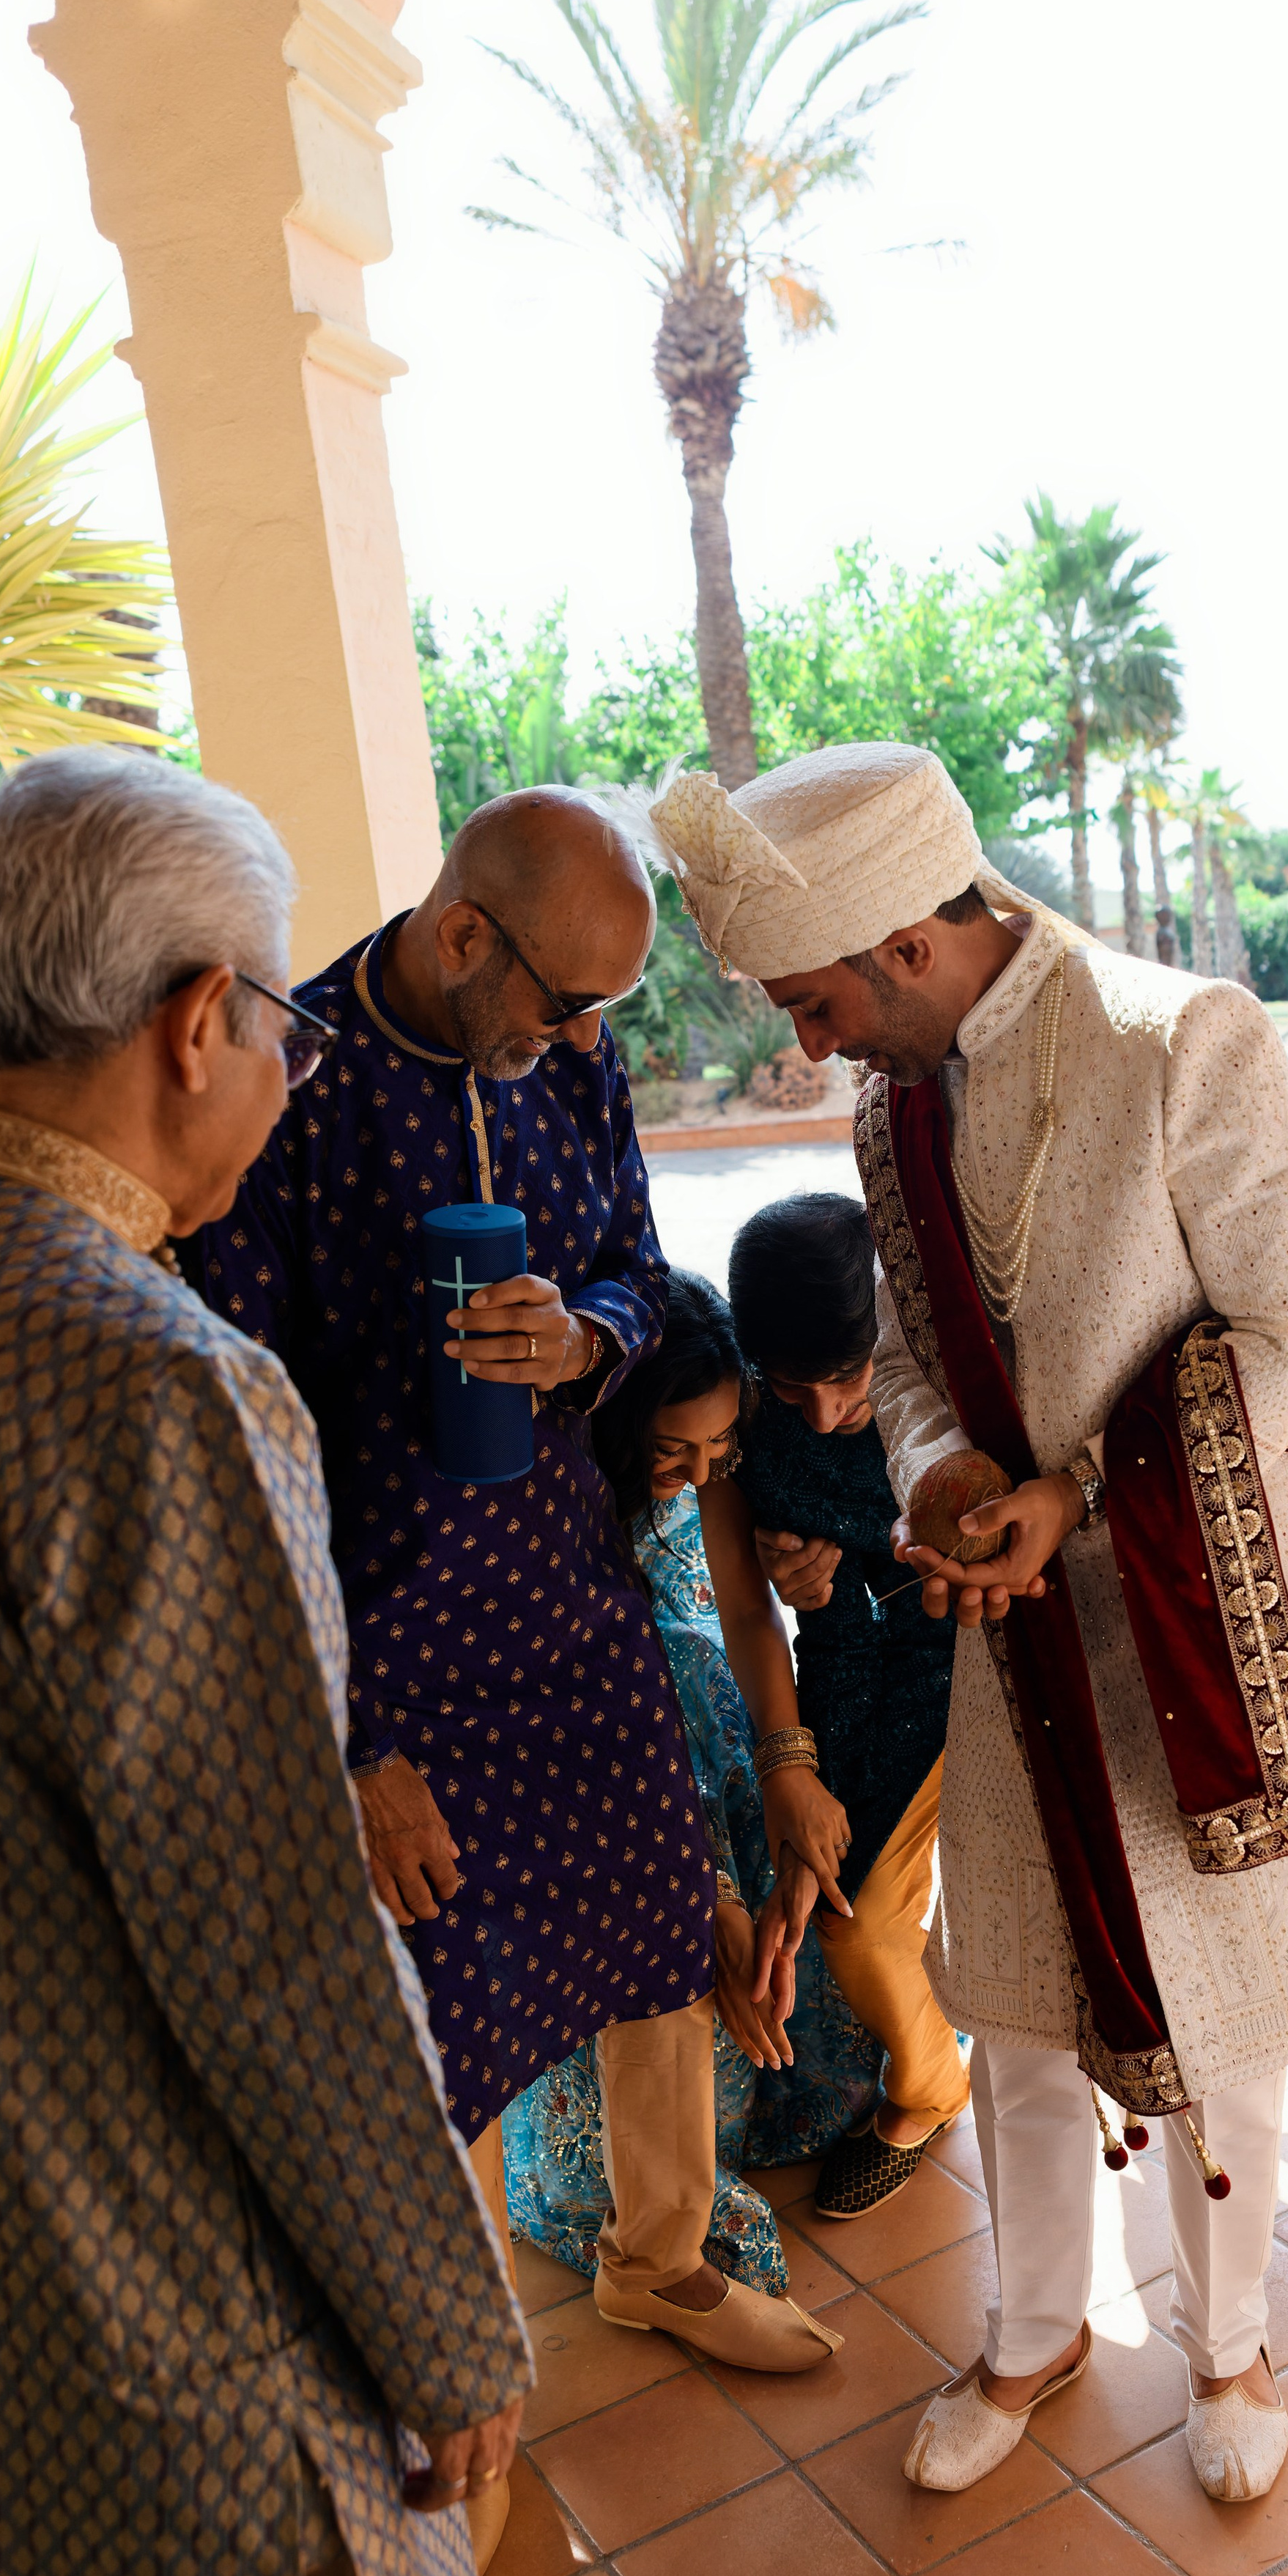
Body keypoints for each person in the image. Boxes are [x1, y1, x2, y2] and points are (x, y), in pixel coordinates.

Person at [630, 742, 1288, 2510]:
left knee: (1206, 2020)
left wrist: (1074, 1498)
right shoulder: (889, 1105)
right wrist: (940, 1481)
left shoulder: (1176, 1035)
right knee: (1029, 2017)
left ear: (905, 942)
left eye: (818, 999)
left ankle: (1228, 2346)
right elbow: (902, 1361)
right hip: (1007, 1631)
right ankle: (1033, 2331)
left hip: (1192, 1617)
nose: (811, 1042)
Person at [0, 750, 530, 2576]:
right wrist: (443, 2323)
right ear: (195, 1020)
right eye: (283, 1018)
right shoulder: (151, 1378)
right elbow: (279, 1931)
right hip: (169, 2280)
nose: (295, 1065)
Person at [185, 786, 837, 2424]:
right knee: (436, 2003)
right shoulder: (294, 1083)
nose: (582, 1038)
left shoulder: (571, 1059)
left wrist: (588, 1341)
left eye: (601, 1012)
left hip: (559, 1594)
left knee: (650, 1910)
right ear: (465, 932)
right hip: (387, 1633)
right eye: (564, 1002)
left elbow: (638, 1260)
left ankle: (661, 2258)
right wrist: (347, 1741)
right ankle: (453, 2376)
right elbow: (238, 1413)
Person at [504, 1269, 881, 2287]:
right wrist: (701, 1891)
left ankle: (757, 2077)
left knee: (785, 1903)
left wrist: (789, 1767)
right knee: (689, 1948)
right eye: (675, 1453)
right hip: (602, 1758)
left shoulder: (719, 1449)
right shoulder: (558, 1491)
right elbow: (594, 1701)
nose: (699, 1469)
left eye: (721, 1453)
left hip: (705, 1708)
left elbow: (748, 1614)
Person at [721, 1192, 970, 2217]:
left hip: (990, 1650)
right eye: (794, 1387)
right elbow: (756, 1614)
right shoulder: (749, 1423)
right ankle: (932, 2086)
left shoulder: (948, 1360)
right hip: (850, 1674)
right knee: (848, 1921)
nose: (825, 1413)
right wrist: (795, 1769)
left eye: (848, 1376)